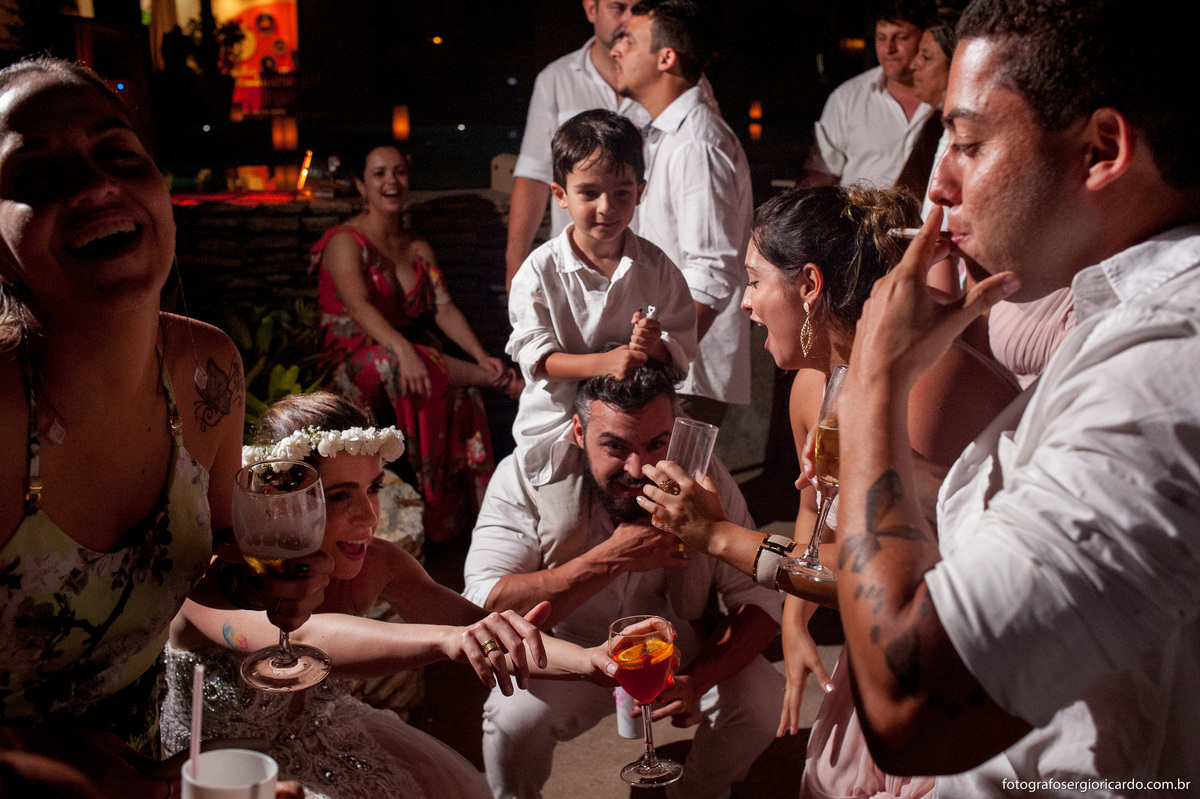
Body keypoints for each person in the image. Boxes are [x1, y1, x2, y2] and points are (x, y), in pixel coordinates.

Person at [651, 0, 1200, 793]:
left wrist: (875, 381)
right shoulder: (1117, 317)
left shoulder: (1163, 363)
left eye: (969, 143)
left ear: (1101, 150)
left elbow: (910, 701)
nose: (938, 183)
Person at [0, 57, 320, 799]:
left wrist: (273, 576)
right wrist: (72, 769)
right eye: (37, 173)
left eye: (119, 154)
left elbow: (209, 564)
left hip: (159, 771)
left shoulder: (210, 370)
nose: (94, 185)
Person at [165, 392, 618, 799]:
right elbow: (304, 639)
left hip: (330, 740)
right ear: (285, 502)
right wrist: (444, 642)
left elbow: (482, 628)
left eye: (374, 488)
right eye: (341, 496)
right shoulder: (221, 577)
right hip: (216, 775)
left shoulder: (379, 563)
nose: (367, 515)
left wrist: (593, 662)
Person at [737, 186, 1017, 799]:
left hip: (956, 659)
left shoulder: (924, 390)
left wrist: (725, 541)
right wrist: (794, 618)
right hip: (881, 639)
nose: (745, 303)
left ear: (808, 285)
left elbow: (909, 579)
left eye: (755, 282)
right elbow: (816, 513)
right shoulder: (812, 388)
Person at [463, 362, 783, 799]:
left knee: (762, 700)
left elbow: (760, 601)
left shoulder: (705, 481)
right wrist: (611, 558)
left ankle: (698, 792)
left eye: (657, 444)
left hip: (675, 652)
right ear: (578, 431)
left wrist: (699, 679)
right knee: (511, 719)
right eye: (615, 446)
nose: (638, 468)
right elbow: (483, 601)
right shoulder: (525, 475)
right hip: (567, 653)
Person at [310, 143, 514, 541]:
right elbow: (357, 306)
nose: (392, 181)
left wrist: (480, 356)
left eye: (399, 172)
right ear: (361, 185)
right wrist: (403, 348)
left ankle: (470, 523)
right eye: (380, 173)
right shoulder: (344, 241)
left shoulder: (418, 248)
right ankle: (504, 383)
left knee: (464, 393)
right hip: (352, 366)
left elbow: (444, 308)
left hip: (406, 359)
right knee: (397, 362)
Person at [507, 109, 697, 487]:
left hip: (637, 433)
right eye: (589, 193)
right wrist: (606, 362)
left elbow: (679, 356)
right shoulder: (539, 271)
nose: (607, 207)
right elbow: (538, 360)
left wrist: (652, 345)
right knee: (565, 526)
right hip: (558, 428)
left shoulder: (658, 268)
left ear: (640, 192)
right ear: (561, 194)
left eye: (621, 192)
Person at [504, 0, 717, 291]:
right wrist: (516, 267)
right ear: (591, 9)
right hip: (577, 272)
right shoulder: (556, 79)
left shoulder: (675, 81)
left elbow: (702, 167)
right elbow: (533, 175)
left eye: (638, 8)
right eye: (618, 8)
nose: (630, 18)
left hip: (653, 270)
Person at [610, 0, 752, 426]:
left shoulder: (696, 143)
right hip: (669, 363)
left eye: (629, 41)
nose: (616, 50)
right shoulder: (664, 134)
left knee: (670, 487)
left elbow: (712, 272)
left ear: (666, 57)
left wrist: (664, 359)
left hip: (686, 374)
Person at [802, 1, 936, 189]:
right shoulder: (846, 98)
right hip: (859, 218)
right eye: (881, 38)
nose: (888, 49)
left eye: (901, 38)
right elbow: (819, 174)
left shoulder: (945, 99)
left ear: (925, 38)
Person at [893, 18, 956, 200]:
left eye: (926, 57)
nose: (913, 65)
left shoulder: (948, 126)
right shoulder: (935, 121)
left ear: (955, 67)